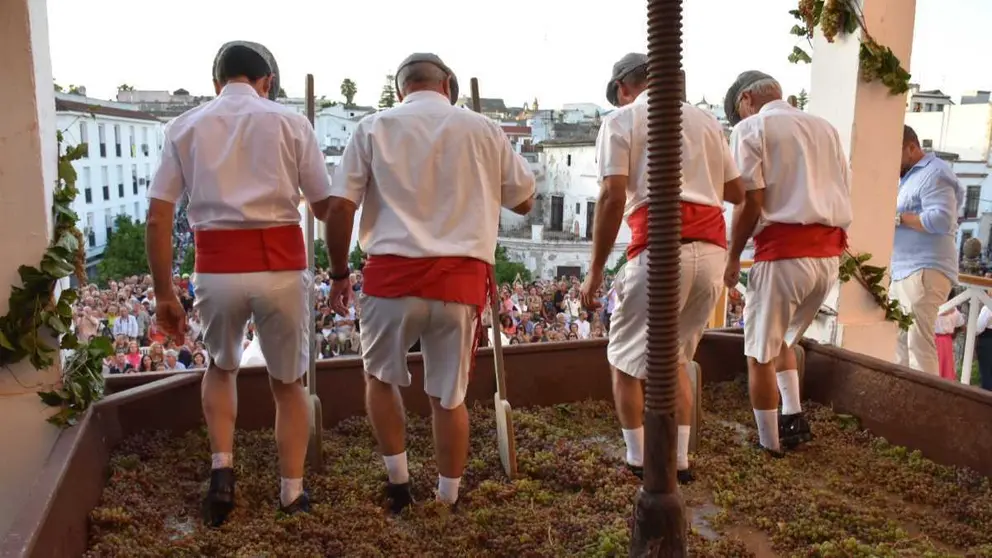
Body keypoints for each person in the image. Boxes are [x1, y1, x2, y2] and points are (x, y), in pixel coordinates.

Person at [325, 53, 535, 513]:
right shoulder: (482, 129)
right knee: (449, 396)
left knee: (380, 380)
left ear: (401, 89)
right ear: (448, 86)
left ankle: (399, 483)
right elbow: (526, 202)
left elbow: (340, 208)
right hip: (458, 283)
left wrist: (339, 273)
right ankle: (447, 497)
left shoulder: (373, 127)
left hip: (390, 277)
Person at [146, 41, 335, 526]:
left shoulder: (184, 126)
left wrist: (165, 293)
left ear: (217, 83)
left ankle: (222, 475)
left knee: (222, 368)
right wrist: (343, 267)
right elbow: (323, 205)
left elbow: (158, 216)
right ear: (266, 82)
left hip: (217, 269)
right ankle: (292, 493)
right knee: (289, 385)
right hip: (281, 268)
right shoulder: (292, 123)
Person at [579, 53, 744, 483]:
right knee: (674, 358)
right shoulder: (707, 122)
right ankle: (682, 461)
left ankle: (637, 459)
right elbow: (737, 192)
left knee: (624, 361)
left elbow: (613, 196)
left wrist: (596, 270)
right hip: (710, 251)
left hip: (658, 248)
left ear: (622, 89)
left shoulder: (622, 120)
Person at [722, 71, 853, 455]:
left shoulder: (751, 129)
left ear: (746, 100)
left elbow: (751, 200)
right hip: (827, 258)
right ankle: (793, 416)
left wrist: (733, 255)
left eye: (736, 113)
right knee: (781, 340)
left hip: (783, 254)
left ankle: (770, 444)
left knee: (759, 352)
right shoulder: (825, 128)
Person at [890, 125, 964, 376]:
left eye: (894, 153)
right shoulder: (909, 177)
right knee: (899, 343)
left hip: (924, 269)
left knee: (917, 344)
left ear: (911, 148)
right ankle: (903, 404)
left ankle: (924, 410)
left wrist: (898, 218)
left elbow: (942, 219)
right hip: (905, 269)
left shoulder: (935, 173)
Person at [934, 294, 964, 381]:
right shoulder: (955, 311)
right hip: (947, 340)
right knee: (946, 364)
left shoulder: (933, 308)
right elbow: (961, 325)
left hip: (935, 339)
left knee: (937, 364)